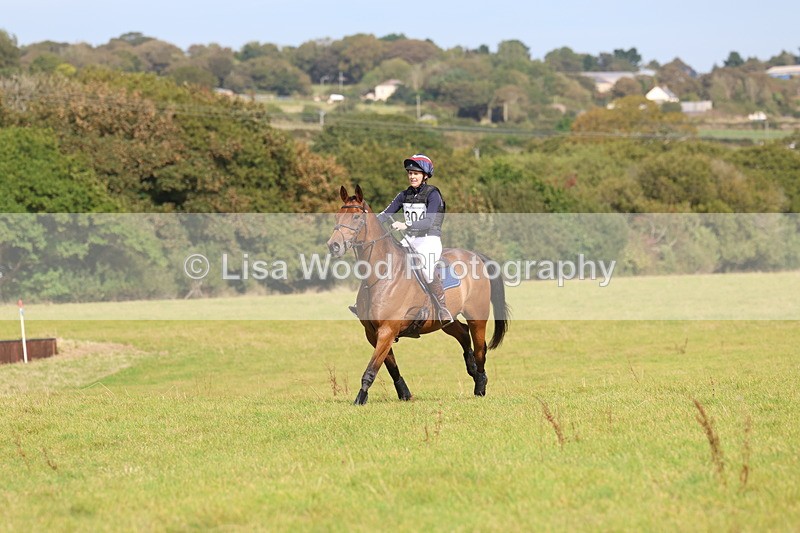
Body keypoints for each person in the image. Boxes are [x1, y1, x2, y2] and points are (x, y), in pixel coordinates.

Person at [376, 154, 454, 325]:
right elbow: (384, 214)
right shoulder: (404, 195)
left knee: (426, 270)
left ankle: (442, 308)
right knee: (386, 263)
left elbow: (429, 221)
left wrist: (406, 226)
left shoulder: (433, 194)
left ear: (425, 176)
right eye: (410, 173)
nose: (412, 176)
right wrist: (368, 222)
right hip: (409, 240)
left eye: (416, 173)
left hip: (429, 240)